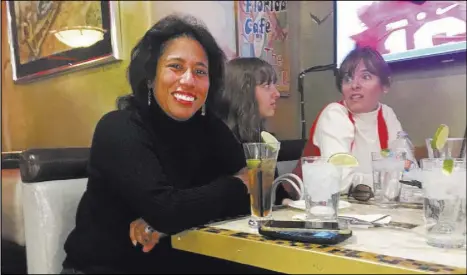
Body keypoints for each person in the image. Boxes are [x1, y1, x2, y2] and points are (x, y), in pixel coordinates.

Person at [61, 14, 252, 274]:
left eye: (200, 71)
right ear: (150, 77)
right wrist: (237, 184)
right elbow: (168, 209)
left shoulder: (210, 128)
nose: (188, 80)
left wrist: (165, 225)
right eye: (175, 66)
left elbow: (261, 189)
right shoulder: (119, 128)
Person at [130, 57, 294, 252]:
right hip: (214, 250)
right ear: (242, 91)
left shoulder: (261, 140)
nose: (276, 93)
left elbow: (276, 198)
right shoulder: (214, 141)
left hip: (254, 243)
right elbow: (188, 201)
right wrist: (157, 222)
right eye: (267, 85)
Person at [288, 46, 403, 199]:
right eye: (348, 79)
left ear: (385, 85)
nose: (354, 85)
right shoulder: (334, 114)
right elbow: (340, 181)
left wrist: (390, 180)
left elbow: (405, 166)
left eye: (366, 77)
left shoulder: (387, 114)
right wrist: (386, 182)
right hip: (320, 209)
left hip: (368, 208)